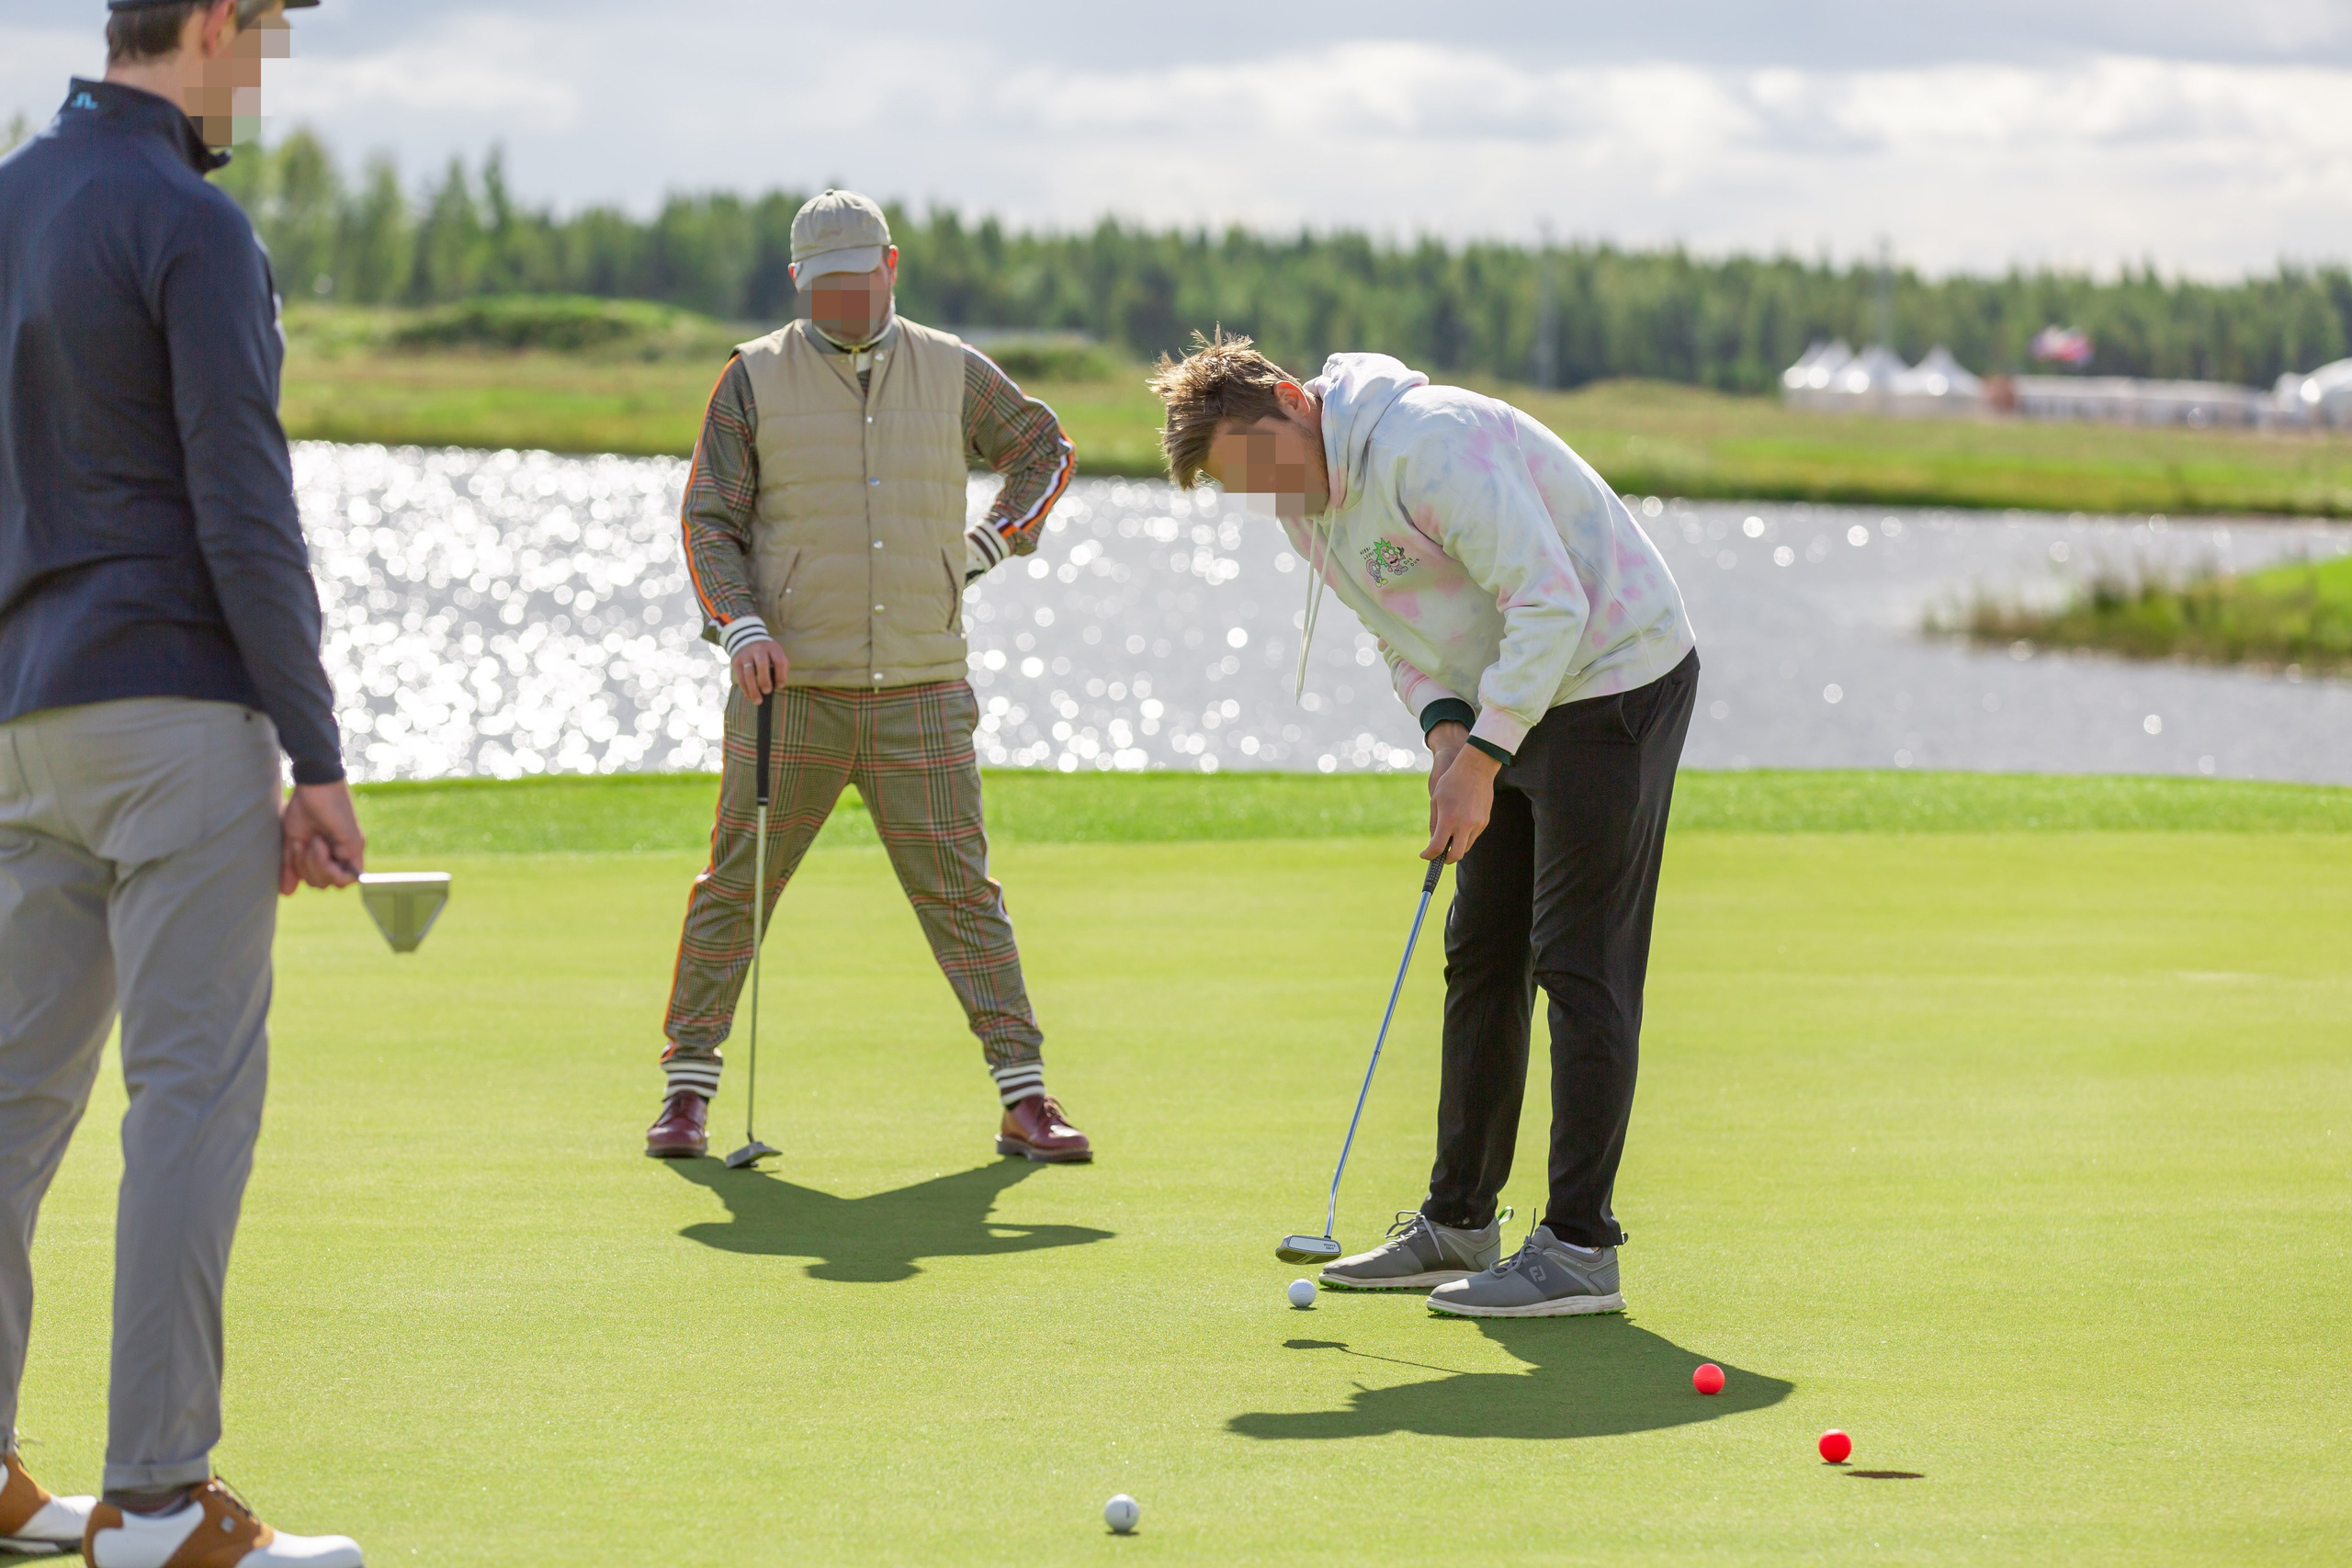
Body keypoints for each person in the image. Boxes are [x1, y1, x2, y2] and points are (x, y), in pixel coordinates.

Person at [0, 2, 368, 1563]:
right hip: (171, 715)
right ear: (214, 22)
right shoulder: (192, 221)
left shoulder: (12, 196)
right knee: (189, 1101)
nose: (264, 74)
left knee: (11, 1103)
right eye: (266, 35)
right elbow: (244, 504)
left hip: (23, 720)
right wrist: (318, 755)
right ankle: (155, 1499)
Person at [1150, 334, 1699, 1318]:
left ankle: (1580, 1248)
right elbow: (1398, 633)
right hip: (1508, 693)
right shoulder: (1306, 511)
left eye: (1262, 464)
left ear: (1293, 401)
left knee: (1577, 960)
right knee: (1481, 951)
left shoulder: (1429, 443)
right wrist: (1447, 732)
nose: (1269, 494)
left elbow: (1551, 601)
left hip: (1614, 671)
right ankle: (1459, 1221)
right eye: (1244, 487)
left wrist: (1483, 758)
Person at [645, 189, 1092, 1166]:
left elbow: (1044, 451)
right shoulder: (751, 376)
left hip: (922, 687)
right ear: (796, 279)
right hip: (787, 693)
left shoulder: (953, 367)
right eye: (823, 287)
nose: (842, 301)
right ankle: (686, 1092)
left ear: (890, 267)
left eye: (857, 281)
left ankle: (1024, 1098)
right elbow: (709, 519)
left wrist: (989, 545)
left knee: (963, 894)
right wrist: (741, 623)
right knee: (736, 888)